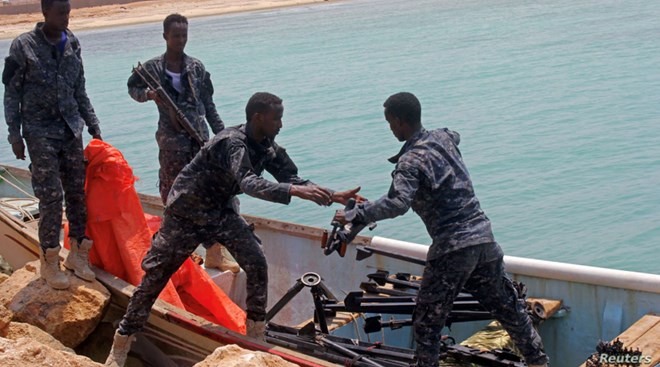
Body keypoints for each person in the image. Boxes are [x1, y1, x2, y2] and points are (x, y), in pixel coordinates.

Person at [104, 92, 362, 366]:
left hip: (219, 211)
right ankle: (121, 341)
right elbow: (249, 182)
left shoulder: (268, 146)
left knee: (256, 261)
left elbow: (292, 178)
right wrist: (296, 191)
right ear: (258, 117)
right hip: (187, 211)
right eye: (277, 119)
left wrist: (334, 195)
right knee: (155, 278)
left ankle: (255, 335)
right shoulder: (232, 143)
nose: (281, 125)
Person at [333, 92, 549, 367]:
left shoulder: (409, 162)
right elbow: (454, 134)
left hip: (452, 249)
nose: (390, 129)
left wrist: (356, 212)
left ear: (399, 121)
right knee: (510, 309)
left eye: (390, 123)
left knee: (427, 324)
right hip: (484, 241)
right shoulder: (444, 137)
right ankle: (539, 362)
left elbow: (398, 203)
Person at [126, 14, 239, 272]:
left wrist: (222, 139)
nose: (180, 40)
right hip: (171, 145)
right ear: (165, 36)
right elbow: (132, 89)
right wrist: (149, 95)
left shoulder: (197, 68)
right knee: (173, 195)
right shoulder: (152, 69)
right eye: (176, 35)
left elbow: (209, 107)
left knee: (210, 194)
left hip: (199, 141)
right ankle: (178, 252)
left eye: (184, 35)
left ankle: (214, 252)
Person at [3, 0, 101, 289]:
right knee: (50, 197)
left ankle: (78, 255)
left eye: (68, 12)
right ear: (45, 13)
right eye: (61, 13)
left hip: (71, 128)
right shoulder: (23, 46)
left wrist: (92, 122)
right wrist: (14, 135)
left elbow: (80, 87)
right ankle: (49, 261)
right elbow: (11, 94)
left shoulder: (72, 42)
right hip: (39, 131)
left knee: (77, 194)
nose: (66, 18)